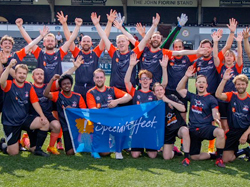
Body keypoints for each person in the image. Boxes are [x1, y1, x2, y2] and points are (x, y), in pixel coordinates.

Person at [193, 18, 237, 153]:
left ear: (211, 48)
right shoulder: (197, 61)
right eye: (203, 47)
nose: (205, 49)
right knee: (198, 122)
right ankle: (193, 146)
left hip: (214, 96)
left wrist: (231, 33)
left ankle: (213, 148)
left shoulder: (216, 59)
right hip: (200, 96)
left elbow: (228, 46)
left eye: (207, 47)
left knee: (215, 121)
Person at [91, 12, 160, 92]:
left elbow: (145, 39)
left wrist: (154, 26)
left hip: (129, 91)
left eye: (123, 41)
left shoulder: (134, 53)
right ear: (116, 44)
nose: (121, 43)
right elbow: (104, 37)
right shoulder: (114, 52)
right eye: (119, 42)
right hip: (114, 91)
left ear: (128, 43)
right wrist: (97, 24)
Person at [56, 10, 116, 101]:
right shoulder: (77, 52)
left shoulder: (95, 53)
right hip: (78, 88)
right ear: (80, 43)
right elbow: (70, 39)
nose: (86, 43)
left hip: (92, 88)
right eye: (84, 41)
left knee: (92, 111)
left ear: (92, 43)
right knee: (79, 112)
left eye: (88, 41)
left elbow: (104, 37)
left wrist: (110, 22)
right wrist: (64, 24)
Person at [30, 56, 82, 155]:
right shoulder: (29, 86)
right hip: (33, 115)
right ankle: (26, 139)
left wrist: (74, 68)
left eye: (41, 74)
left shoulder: (48, 86)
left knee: (57, 125)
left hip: (47, 115)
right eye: (37, 74)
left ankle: (51, 147)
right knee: (32, 148)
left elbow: (62, 78)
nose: (40, 76)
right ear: (33, 77)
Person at [176, 66, 225, 168]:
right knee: (194, 156)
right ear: (196, 84)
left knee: (220, 132)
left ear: (207, 85)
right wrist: (186, 76)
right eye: (199, 82)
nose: (201, 84)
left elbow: (215, 112)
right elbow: (179, 89)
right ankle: (212, 156)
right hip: (193, 129)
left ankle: (219, 158)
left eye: (203, 82)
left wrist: (216, 118)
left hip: (205, 128)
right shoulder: (192, 96)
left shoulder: (211, 99)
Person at [0, 61, 49, 157]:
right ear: (15, 74)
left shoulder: (28, 86)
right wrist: (9, 66)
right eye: (20, 73)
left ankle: (37, 149)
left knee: (45, 123)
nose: (22, 75)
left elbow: (35, 102)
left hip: (24, 119)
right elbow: (1, 81)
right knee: (13, 153)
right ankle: (2, 145)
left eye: (24, 73)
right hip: (10, 122)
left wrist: (42, 116)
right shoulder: (9, 85)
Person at [124, 53, 168, 159]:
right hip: (137, 127)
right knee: (135, 155)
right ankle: (138, 146)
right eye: (143, 78)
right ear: (139, 81)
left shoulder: (154, 94)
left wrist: (164, 68)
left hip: (150, 128)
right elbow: (126, 81)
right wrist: (130, 66)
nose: (145, 80)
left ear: (151, 81)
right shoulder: (135, 92)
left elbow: (165, 84)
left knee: (153, 156)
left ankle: (148, 146)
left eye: (147, 78)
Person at [15, 17, 82, 83]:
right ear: (44, 43)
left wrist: (75, 26)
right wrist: (20, 27)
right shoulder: (40, 53)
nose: (50, 42)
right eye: (48, 41)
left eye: (52, 41)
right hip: (42, 87)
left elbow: (70, 40)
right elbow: (29, 41)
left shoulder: (59, 53)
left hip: (56, 88)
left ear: (55, 43)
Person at [86, 68, 132, 159]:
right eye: (97, 77)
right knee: (105, 153)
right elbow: (95, 111)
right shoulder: (90, 93)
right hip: (100, 124)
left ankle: (118, 151)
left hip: (113, 122)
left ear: (105, 79)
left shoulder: (112, 90)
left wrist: (116, 101)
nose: (99, 79)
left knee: (122, 126)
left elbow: (129, 96)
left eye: (101, 77)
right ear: (94, 79)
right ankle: (96, 148)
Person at [44, 71, 87, 155]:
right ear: (61, 86)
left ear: (71, 84)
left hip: (77, 126)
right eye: (64, 84)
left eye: (68, 83)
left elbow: (84, 113)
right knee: (70, 153)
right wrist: (52, 80)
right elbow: (46, 94)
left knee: (81, 147)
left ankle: (81, 142)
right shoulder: (58, 95)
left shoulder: (78, 96)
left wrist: (72, 110)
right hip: (66, 127)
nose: (66, 86)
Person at [215, 70, 250, 163]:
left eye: (243, 84)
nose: (240, 86)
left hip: (247, 130)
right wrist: (224, 80)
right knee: (226, 159)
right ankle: (245, 151)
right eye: (238, 84)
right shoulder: (231, 95)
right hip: (234, 131)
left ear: (246, 85)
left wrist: (245, 135)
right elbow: (218, 95)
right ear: (235, 86)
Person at [153, 82, 190, 166]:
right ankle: (174, 151)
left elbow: (183, 108)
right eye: (157, 90)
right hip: (167, 131)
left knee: (185, 131)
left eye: (161, 89)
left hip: (178, 127)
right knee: (166, 157)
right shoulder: (154, 104)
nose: (159, 92)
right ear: (154, 93)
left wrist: (168, 101)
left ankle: (187, 157)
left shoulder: (171, 97)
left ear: (164, 90)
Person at [213, 30, 243, 132]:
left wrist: (239, 42)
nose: (229, 57)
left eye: (231, 56)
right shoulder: (220, 67)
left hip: (234, 99)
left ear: (234, 58)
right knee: (224, 126)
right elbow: (215, 56)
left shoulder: (237, 68)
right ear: (224, 58)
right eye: (227, 56)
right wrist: (216, 42)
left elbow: (240, 56)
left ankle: (233, 146)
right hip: (222, 100)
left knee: (234, 125)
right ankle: (225, 146)